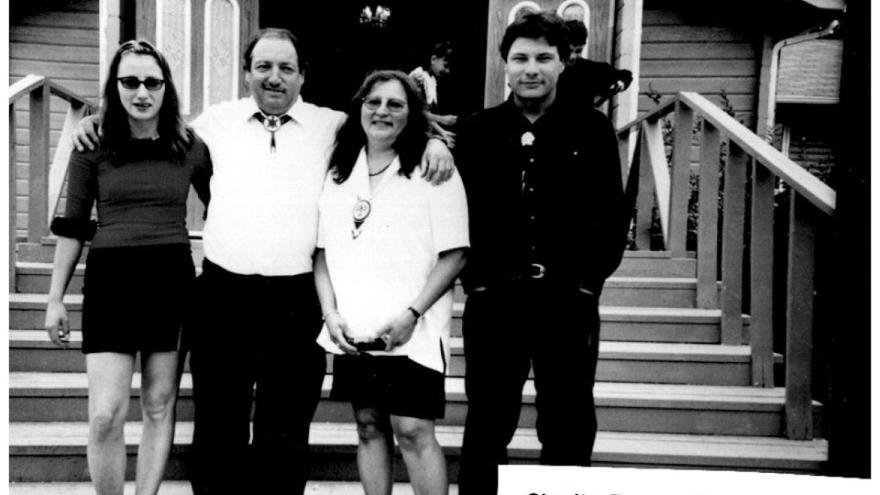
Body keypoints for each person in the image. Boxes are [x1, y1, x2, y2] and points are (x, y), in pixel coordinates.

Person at [73, 27, 455, 495]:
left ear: (302, 76)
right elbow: (148, 118)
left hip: (295, 301)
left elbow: (391, 122)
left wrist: (435, 141)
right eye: (264, 67)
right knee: (218, 428)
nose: (274, 78)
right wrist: (92, 119)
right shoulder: (214, 123)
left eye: (286, 68)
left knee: (286, 430)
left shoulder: (331, 125)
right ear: (247, 73)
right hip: (222, 297)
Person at [455, 12, 629, 495]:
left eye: (544, 58)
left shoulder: (591, 130)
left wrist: (585, 284)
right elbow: (458, 215)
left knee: (568, 422)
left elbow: (612, 217)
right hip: (496, 301)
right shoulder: (478, 130)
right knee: (489, 420)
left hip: (566, 301)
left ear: (563, 63)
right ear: (505, 66)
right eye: (521, 58)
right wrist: (479, 283)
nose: (531, 69)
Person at [44, 40, 212, 495]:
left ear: (166, 87)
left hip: (170, 280)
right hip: (111, 282)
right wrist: (55, 298)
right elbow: (74, 225)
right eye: (130, 81)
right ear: (114, 86)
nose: (142, 92)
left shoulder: (190, 145)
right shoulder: (92, 140)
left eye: (152, 82)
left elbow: (225, 209)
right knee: (105, 414)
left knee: (159, 405)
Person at [315, 70, 468, 495]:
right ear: (359, 108)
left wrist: (412, 313)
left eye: (395, 104)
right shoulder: (339, 173)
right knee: (368, 426)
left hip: (411, 328)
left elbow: (456, 253)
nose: (382, 111)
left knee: (413, 429)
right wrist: (330, 314)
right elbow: (323, 253)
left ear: (412, 115)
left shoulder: (433, 169)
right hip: (356, 326)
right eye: (373, 102)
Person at [557, 19, 633, 108]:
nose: (572, 56)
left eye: (578, 51)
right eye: (569, 50)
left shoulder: (589, 69)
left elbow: (625, 75)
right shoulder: (550, 68)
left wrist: (620, 83)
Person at [409, 41, 458, 146]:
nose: (447, 71)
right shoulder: (418, 77)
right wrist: (441, 119)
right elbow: (416, 112)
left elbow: (427, 115)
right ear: (433, 59)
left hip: (427, 133)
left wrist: (442, 132)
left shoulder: (432, 80)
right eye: (445, 65)